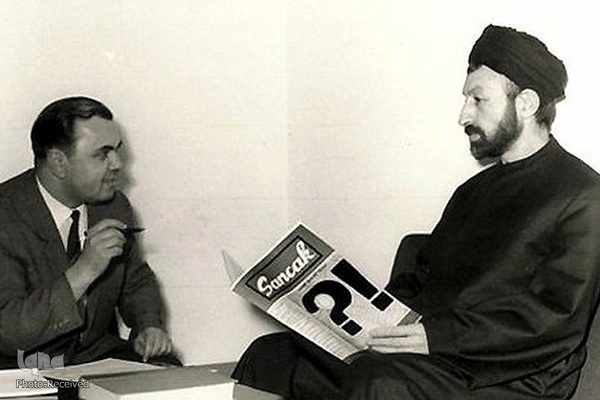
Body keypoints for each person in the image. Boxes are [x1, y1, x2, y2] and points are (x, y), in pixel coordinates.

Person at [231, 25, 600, 400]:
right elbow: (419, 279)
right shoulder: (471, 192)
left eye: (478, 100)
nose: (463, 116)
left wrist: (436, 337)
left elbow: (556, 319)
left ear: (526, 104)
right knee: (273, 355)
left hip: (510, 379)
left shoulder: (583, 194)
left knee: (379, 382)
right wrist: (365, 322)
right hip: (433, 360)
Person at [0, 97, 178, 369]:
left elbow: (135, 279)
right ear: (58, 163)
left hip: (91, 356)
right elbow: (9, 332)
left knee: (168, 371)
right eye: (102, 154)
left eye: (116, 150)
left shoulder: (113, 206)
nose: (117, 164)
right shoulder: (6, 216)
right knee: (61, 390)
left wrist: (148, 325)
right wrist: (85, 270)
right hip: (23, 367)